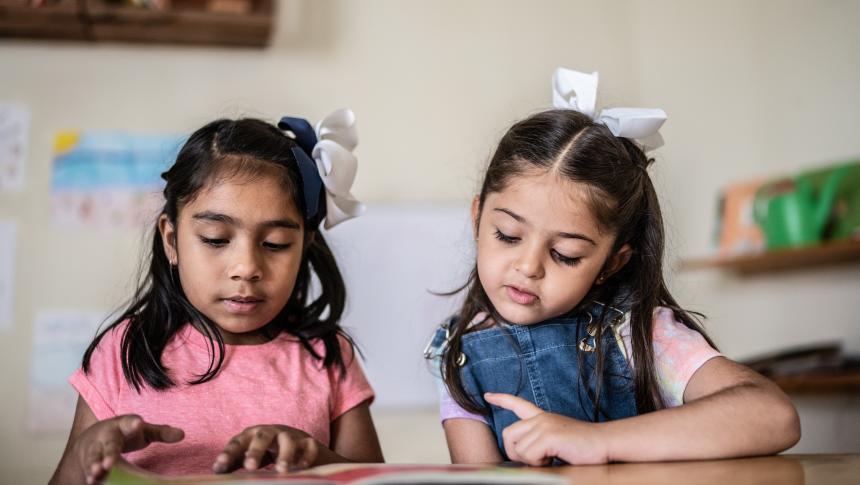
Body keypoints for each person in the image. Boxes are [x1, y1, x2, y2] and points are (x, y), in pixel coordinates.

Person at [426, 68, 800, 466]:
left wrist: (598, 441)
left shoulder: (636, 332)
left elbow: (774, 415)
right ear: (478, 219)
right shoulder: (456, 351)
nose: (529, 266)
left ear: (611, 262)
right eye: (507, 235)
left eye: (565, 254)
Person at [49, 110, 383, 485]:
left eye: (275, 244)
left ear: (304, 245)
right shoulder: (124, 350)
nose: (246, 267)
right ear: (172, 240)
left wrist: (315, 457)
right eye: (215, 239)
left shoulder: (327, 356)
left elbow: (374, 480)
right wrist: (85, 455)